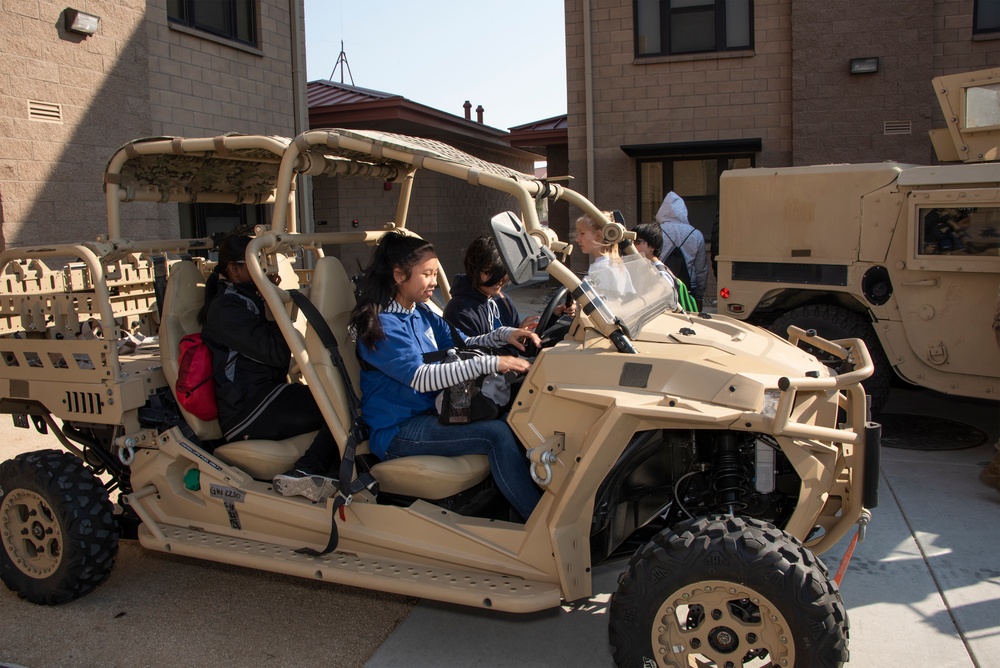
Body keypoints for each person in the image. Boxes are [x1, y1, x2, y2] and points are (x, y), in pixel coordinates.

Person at [349, 232, 543, 521]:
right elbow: (421, 377)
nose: (434, 281)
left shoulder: (420, 312)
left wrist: (507, 334)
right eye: (426, 274)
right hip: (399, 430)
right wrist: (493, 363)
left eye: (434, 273)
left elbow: (464, 341)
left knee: (514, 415)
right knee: (496, 434)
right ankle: (541, 523)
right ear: (400, 275)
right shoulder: (383, 325)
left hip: (433, 412)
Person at [199, 235, 340, 502]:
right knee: (339, 405)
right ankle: (307, 470)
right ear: (234, 269)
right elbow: (277, 354)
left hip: (267, 393)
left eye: (266, 264)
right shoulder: (227, 308)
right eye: (256, 265)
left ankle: (332, 472)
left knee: (346, 398)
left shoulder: (248, 298)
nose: (265, 271)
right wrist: (272, 304)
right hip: (247, 410)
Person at [445, 234, 576, 338]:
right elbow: (474, 360)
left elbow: (522, 346)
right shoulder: (460, 311)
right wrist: (513, 336)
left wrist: (554, 314)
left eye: (503, 272)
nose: (499, 280)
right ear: (473, 269)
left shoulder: (502, 300)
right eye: (489, 272)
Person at [656, 192, 708, 309]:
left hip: (662, 286)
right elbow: (701, 269)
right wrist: (700, 297)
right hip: (689, 287)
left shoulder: (656, 232)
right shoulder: (696, 234)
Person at [631, 223, 698, 313]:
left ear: (652, 246)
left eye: (637, 241)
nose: (632, 245)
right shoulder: (645, 267)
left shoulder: (660, 272)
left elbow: (655, 294)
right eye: (631, 241)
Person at [576, 211, 634, 296]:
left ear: (598, 235)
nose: (578, 239)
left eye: (582, 233)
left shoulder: (603, 268)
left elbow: (603, 304)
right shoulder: (615, 264)